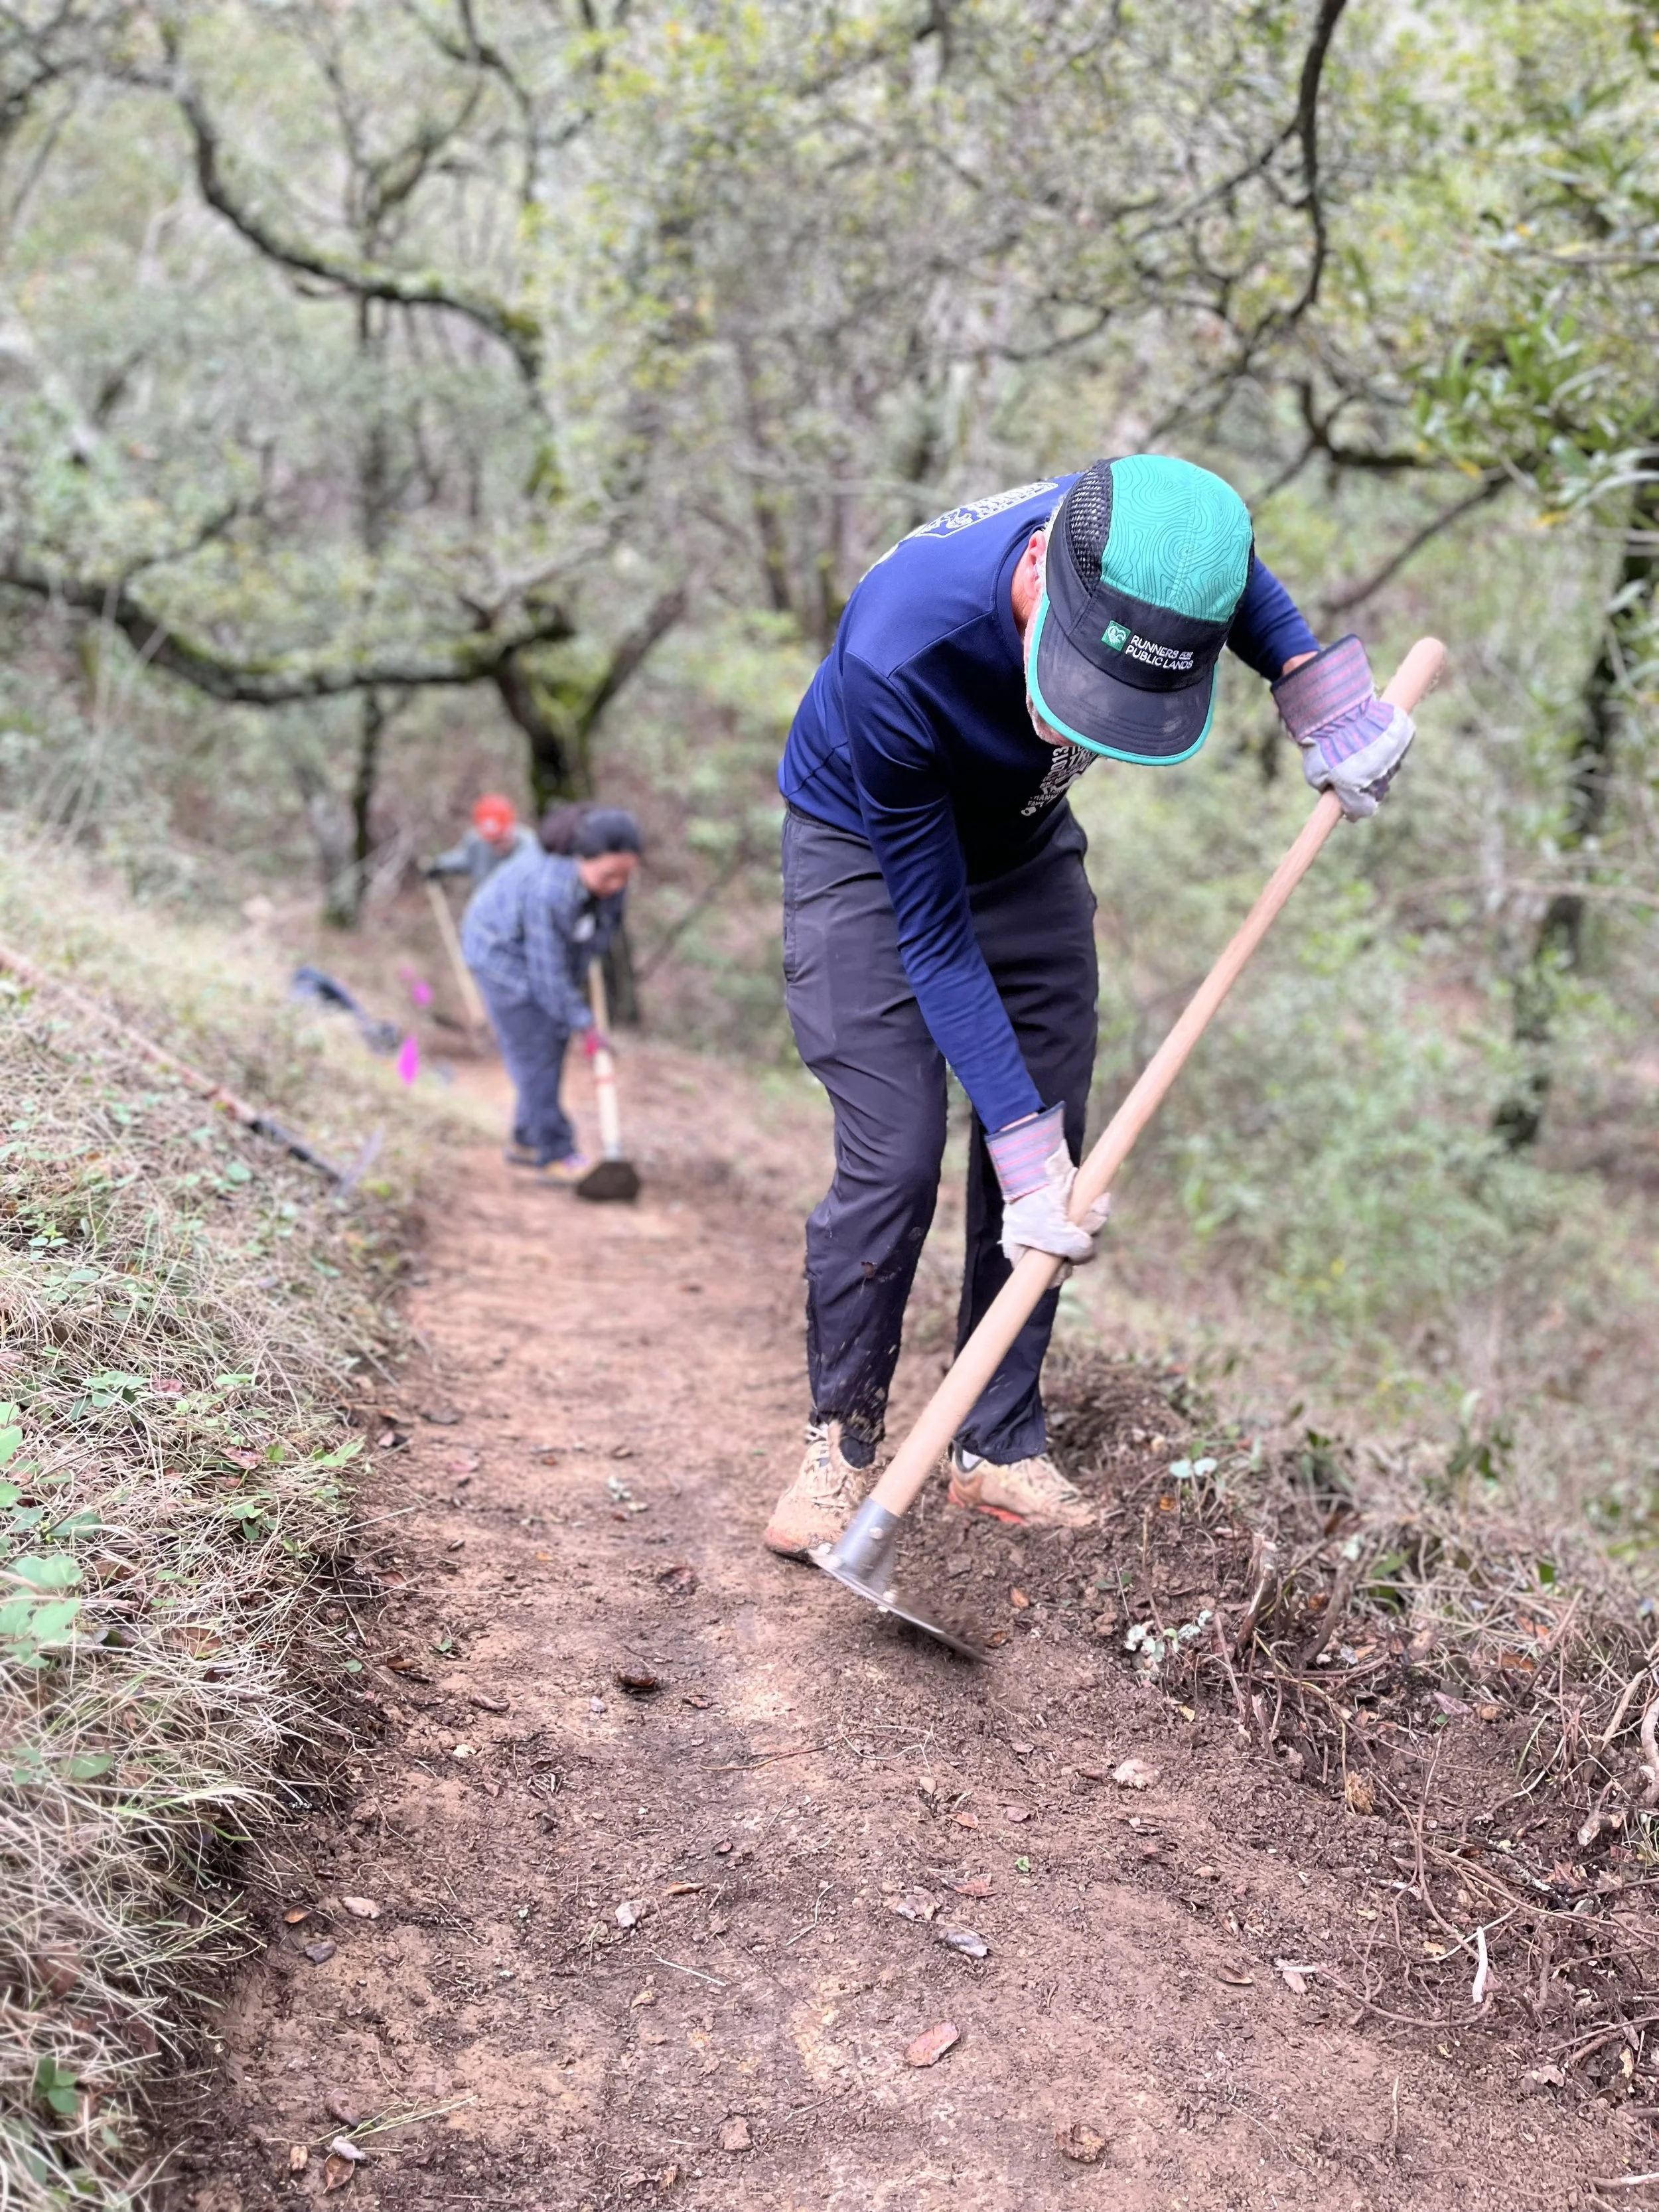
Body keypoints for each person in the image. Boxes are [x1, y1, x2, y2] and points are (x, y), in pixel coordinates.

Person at [762, 455, 1413, 1559]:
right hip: (873, 858)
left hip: (1022, 846)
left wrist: (1318, 694)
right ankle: (842, 1441)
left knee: (1058, 1147)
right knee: (900, 1149)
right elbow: (932, 935)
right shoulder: (898, 648)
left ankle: (996, 1441)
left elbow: (1235, 572)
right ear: (1036, 571)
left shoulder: (1162, 536)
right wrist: (1013, 1147)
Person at [460, 806, 642, 1184]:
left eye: (626, 875)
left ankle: (527, 1138)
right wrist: (583, 1023)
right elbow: (547, 976)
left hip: (542, 958)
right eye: (608, 876)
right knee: (537, 1051)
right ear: (581, 859)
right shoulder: (550, 891)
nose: (617, 885)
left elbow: (592, 938)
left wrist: (577, 1010)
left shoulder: (607, 885)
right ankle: (555, 1151)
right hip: (500, 956)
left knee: (551, 1041)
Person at [421, 793, 538, 887]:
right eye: (491, 842)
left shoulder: (530, 847)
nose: (496, 847)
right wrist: (438, 866)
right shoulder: (477, 843)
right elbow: (462, 858)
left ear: (511, 826)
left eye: (500, 840)